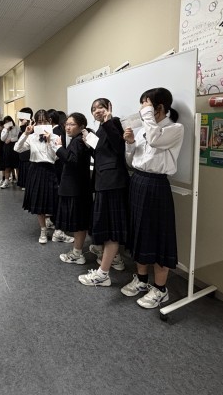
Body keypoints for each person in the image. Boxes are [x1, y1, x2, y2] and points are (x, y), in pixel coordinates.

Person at [121, 87, 184, 309]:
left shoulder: (175, 128)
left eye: (145, 104)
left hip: (157, 185)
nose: (142, 109)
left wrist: (147, 115)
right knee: (139, 233)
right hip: (138, 181)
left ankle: (160, 289)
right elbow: (131, 161)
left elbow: (156, 140)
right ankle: (141, 280)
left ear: (160, 107)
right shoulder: (143, 130)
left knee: (158, 236)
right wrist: (130, 143)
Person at [78, 98, 129, 287]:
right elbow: (103, 153)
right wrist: (89, 144)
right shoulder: (100, 128)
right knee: (107, 226)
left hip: (112, 183)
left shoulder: (113, 123)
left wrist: (108, 122)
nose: (97, 111)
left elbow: (119, 147)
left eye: (100, 107)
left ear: (109, 108)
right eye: (93, 109)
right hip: (104, 182)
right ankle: (115, 260)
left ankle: (103, 274)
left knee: (111, 228)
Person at [15, 109, 70, 244]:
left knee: (55, 201)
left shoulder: (55, 137)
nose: (42, 124)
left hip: (50, 170)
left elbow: (56, 157)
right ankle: (43, 230)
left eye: (44, 121)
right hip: (35, 170)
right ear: (35, 123)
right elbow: (17, 148)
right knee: (39, 202)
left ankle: (58, 231)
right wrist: (26, 134)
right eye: (39, 122)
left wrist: (50, 141)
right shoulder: (32, 137)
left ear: (49, 122)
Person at [55, 113, 93, 265]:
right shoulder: (80, 139)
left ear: (81, 126)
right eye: (67, 124)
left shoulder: (78, 141)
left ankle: (77, 253)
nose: (67, 127)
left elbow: (71, 160)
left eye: (72, 124)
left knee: (78, 223)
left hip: (75, 188)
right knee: (80, 222)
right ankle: (78, 252)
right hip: (78, 187)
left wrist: (58, 147)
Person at [16, 108, 34, 191]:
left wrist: (23, 126)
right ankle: (24, 184)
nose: (19, 117)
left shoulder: (31, 125)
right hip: (22, 151)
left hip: (28, 152)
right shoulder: (23, 125)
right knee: (23, 166)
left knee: (27, 167)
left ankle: (27, 185)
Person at [0, 116, 19, 189]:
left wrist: (11, 139)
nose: (7, 123)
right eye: (6, 122)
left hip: (15, 146)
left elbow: (18, 137)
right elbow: (2, 139)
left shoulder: (16, 127)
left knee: (17, 165)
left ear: (11, 121)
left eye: (9, 121)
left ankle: (19, 181)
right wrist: (7, 130)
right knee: (7, 165)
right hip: (7, 147)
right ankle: (6, 182)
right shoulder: (4, 129)